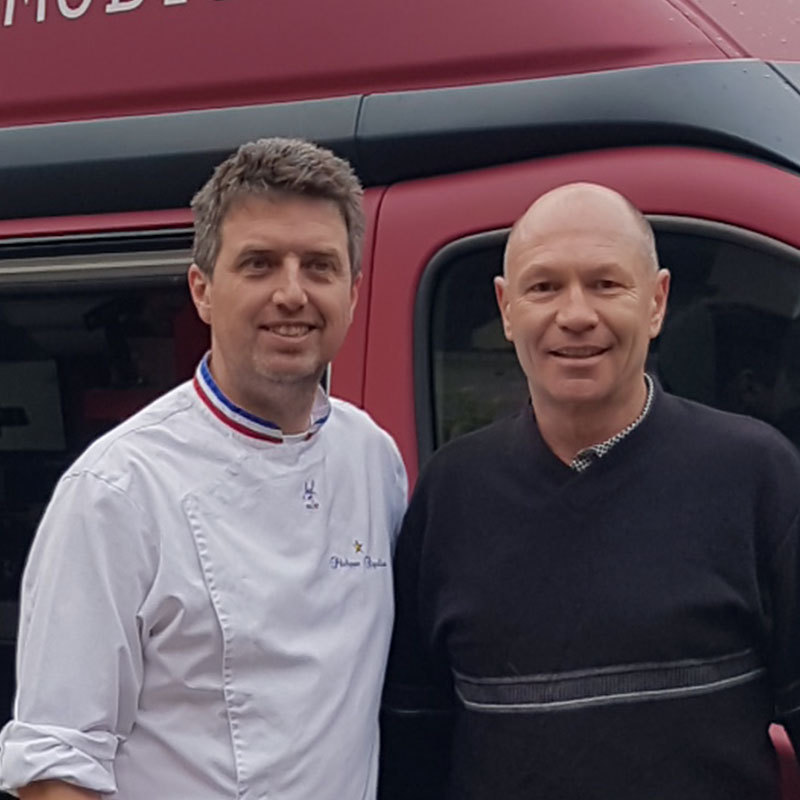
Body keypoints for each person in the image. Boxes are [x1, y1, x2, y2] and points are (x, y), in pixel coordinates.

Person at [0, 137, 407, 800]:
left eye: (320, 266)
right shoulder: (118, 490)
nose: (292, 293)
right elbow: (54, 764)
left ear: (354, 293)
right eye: (259, 264)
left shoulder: (372, 459)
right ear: (203, 290)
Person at [379, 183, 800, 800]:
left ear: (656, 302)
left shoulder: (756, 476)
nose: (575, 315)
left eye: (606, 284)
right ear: (506, 307)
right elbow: (414, 742)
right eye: (543, 286)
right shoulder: (451, 495)